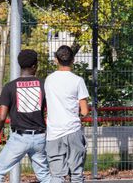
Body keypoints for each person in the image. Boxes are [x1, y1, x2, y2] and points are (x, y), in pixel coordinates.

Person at [0, 49, 50, 183]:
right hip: (40, 137)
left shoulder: (10, 87)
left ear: (19, 65)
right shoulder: (44, 85)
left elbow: (2, 116)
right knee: (45, 176)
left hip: (19, 139)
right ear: (35, 66)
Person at [45, 45, 90, 183]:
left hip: (54, 133)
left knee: (57, 175)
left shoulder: (49, 80)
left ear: (56, 60)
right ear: (73, 60)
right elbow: (84, 111)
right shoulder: (78, 80)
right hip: (73, 130)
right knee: (76, 173)